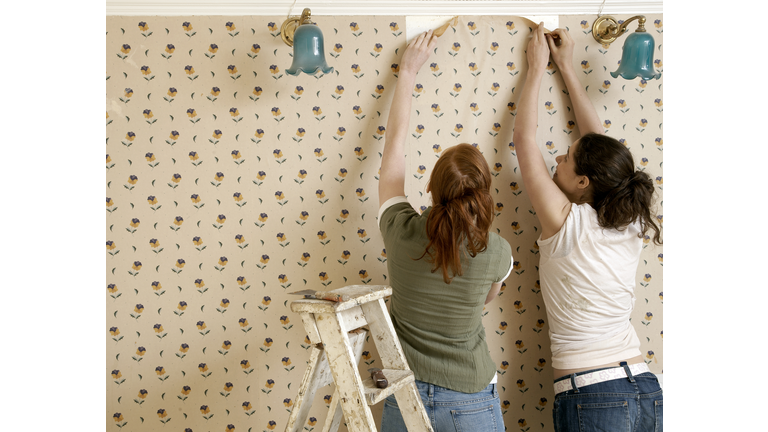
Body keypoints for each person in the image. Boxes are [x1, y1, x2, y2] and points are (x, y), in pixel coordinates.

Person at [513, 24, 663, 431]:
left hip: (595, 394)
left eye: (564, 158)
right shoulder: (629, 221)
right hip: (644, 384)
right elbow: (599, 144)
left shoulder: (567, 223)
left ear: (583, 182)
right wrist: (566, 65)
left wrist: (537, 67)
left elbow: (524, 139)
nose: (557, 158)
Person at [377, 29, 512, 432]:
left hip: (406, 398)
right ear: (485, 192)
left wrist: (407, 74)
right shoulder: (497, 251)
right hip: (469, 399)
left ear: (431, 188)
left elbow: (394, 150)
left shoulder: (399, 230)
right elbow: (488, 298)